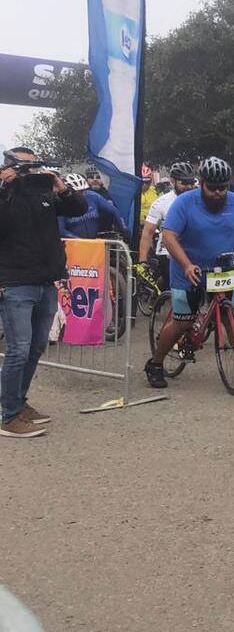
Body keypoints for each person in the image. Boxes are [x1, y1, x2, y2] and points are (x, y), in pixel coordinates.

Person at [144, 157, 234, 390]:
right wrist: (186, 265)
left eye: (222, 188)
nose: (217, 193)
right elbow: (169, 237)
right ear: (202, 183)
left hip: (222, 270)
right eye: (212, 188)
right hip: (188, 270)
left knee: (231, 320)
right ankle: (155, 363)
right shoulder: (184, 202)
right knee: (182, 322)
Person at [0, 148, 87, 438]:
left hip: (46, 282)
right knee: (18, 350)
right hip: (15, 284)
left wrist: (62, 188)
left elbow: (78, 209)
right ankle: (8, 416)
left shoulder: (44, 193)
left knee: (36, 347)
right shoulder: (5, 195)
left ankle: (18, 402)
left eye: (36, 167)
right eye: (27, 168)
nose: (34, 173)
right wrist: (5, 188)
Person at [139, 163, 198, 288]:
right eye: (184, 183)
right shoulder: (161, 203)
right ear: (173, 181)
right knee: (176, 289)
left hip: (193, 250)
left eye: (191, 183)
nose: (189, 187)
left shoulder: (200, 199)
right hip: (167, 253)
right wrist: (142, 261)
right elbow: (148, 232)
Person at [57, 174, 130, 241]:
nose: (81, 194)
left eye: (83, 190)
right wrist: (80, 241)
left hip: (93, 242)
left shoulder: (93, 196)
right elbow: (60, 230)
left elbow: (114, 211)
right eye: (77, 191)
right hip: (73, 244)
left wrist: (124, 230)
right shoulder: (60, 203)